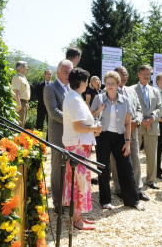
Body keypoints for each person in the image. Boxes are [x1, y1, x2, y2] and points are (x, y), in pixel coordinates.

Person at [91, 71, 144, 211]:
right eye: (107, 83)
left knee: (126, 168)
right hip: (102, 136)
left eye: (112, 84)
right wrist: (99, 110)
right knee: (103, 168)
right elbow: (90, 116)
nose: (109, 86)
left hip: (120, 137)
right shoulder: (98, 98)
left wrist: (128, 142)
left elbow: (128, 123)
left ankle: (133, 200)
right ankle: (105, 201)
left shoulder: (125, 100)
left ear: (118, 84)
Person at [62, 68, 102, 230]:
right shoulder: (74, 99)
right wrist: (94, 128)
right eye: (86, 81)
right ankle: (76, 220)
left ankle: (78, 216)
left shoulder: (73, 97)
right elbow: (78, 126)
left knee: (80, 182)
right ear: (83, 82)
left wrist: (92, 128)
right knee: (78, 183)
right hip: (77, 145)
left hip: (79, 145)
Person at [112, 66, 149, 201]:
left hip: (133, 131)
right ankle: (119, 189)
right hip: (116, 133)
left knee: (136, 160)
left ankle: (137, 189)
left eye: (126, 73)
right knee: (116, 161)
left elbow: (139, 109)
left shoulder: (132, 91)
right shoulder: (109, 91)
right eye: (121, 74)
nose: (124, 76)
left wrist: (138, 120)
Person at [43, 59, 73, 210]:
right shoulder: (50, 88)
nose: (68, 75)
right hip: (58, 134)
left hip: (71, 134)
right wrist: (73, 120)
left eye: (70, 72)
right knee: (58, 167)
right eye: (65, 72)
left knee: (69, 167)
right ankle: (57, 202)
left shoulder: (70, 88)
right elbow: (53, 112)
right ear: (58, 72)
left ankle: (66, 199)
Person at [132, 65, 162, 189]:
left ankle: (151, 180)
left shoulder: (155, 90)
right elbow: (129, 107)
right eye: (144, 73)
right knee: (135, 156)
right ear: (138, 74)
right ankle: (134, 180)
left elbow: (160, 108)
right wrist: (140, 119)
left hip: (152, 126)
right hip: (137, 126)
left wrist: (152, 118)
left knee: (152, 155)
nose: (146, 76)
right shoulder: (131, 89)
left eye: (149, 74)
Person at [11, 61, 31, 126]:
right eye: (26, 67)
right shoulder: (17, 77)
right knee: (18, 125)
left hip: (24, 103)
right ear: (21, 68)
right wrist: (19, 104)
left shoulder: (23, 77)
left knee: (22, 124)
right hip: (20, 103)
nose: (27, 68)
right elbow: (15, 91)